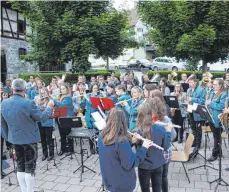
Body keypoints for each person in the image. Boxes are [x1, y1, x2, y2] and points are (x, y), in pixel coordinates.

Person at [1, 78, 54, 192]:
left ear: (12, 89)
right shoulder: (28, 102)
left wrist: (8, 137)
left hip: (14, 139)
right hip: (29, 139)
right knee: (30, 166)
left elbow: (3, 124)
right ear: (24, 89)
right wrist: (49, 108)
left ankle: (24, 190)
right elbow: (42, 118)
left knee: (20, 165)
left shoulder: (3, 103)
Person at [98, 107, 152, 192]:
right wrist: (144, 148)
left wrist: (131, 142)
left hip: (109, 179)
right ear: (123, 122)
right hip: (122, 184)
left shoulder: (102, 135)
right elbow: (130, 164)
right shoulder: (122, 141)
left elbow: (115, 152)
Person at [136, 101, 172, 192]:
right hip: (158, 164)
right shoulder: (160, 129)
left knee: (145, 189)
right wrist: (168, 132)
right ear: (152, 114)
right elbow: (166, 147)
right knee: (157, 189)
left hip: (144, 165)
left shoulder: (138, 131)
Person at [147, 97, 176, 192]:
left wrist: (168, 130)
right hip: (153, 152)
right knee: (157, 177)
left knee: (163, 176)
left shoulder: (166, 120)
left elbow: (173, 136)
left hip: (163, 153)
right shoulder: (148, 120)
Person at [206, 79, 227, 161]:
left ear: (221, 85)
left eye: (215, 84)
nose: (213, 86)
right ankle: (219, 151)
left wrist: (210, 103)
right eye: (213, 84)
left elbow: (221, 106)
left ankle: (214, 154)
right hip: (211, 117)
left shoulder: (224, 94)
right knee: (216, 136)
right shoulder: (212, 92)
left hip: (218, 119)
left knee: (216, 137)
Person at [187, 75, 206, 159]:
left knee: (198, 129)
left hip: (197, 112)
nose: (189, 84)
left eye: (191, 82)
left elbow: (202, 101)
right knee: (193, 128)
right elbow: (189, 100)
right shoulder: (189, 89)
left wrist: (192, 99)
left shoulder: (201, 90)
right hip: (191, 111)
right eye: (189, 82)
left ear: (195, 82)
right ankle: (194, 141)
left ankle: (198, 144)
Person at [53, 83, 74, 156]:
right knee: (62, 135)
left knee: (68, 134)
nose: (62, 90)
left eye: (63, 89)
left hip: (67, 118)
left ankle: (71, 149)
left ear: (67, 89)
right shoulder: (61, 97)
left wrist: (53, 99)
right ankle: (63, 149)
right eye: (61, 89)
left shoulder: (68, 97)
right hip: (60, 117)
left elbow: (61, 105)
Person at [36, 87, 55, 161]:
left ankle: (51, 154)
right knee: (42, 139)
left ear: (47, 92)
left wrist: (46, 107)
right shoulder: (39, 101)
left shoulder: (50, 100)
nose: (43, 94)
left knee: (49, 139)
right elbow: (36, 111)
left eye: (44, 92)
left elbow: (50, 112)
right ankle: (45, 154)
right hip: (40, 122)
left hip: (48, 122)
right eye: (42, 93)